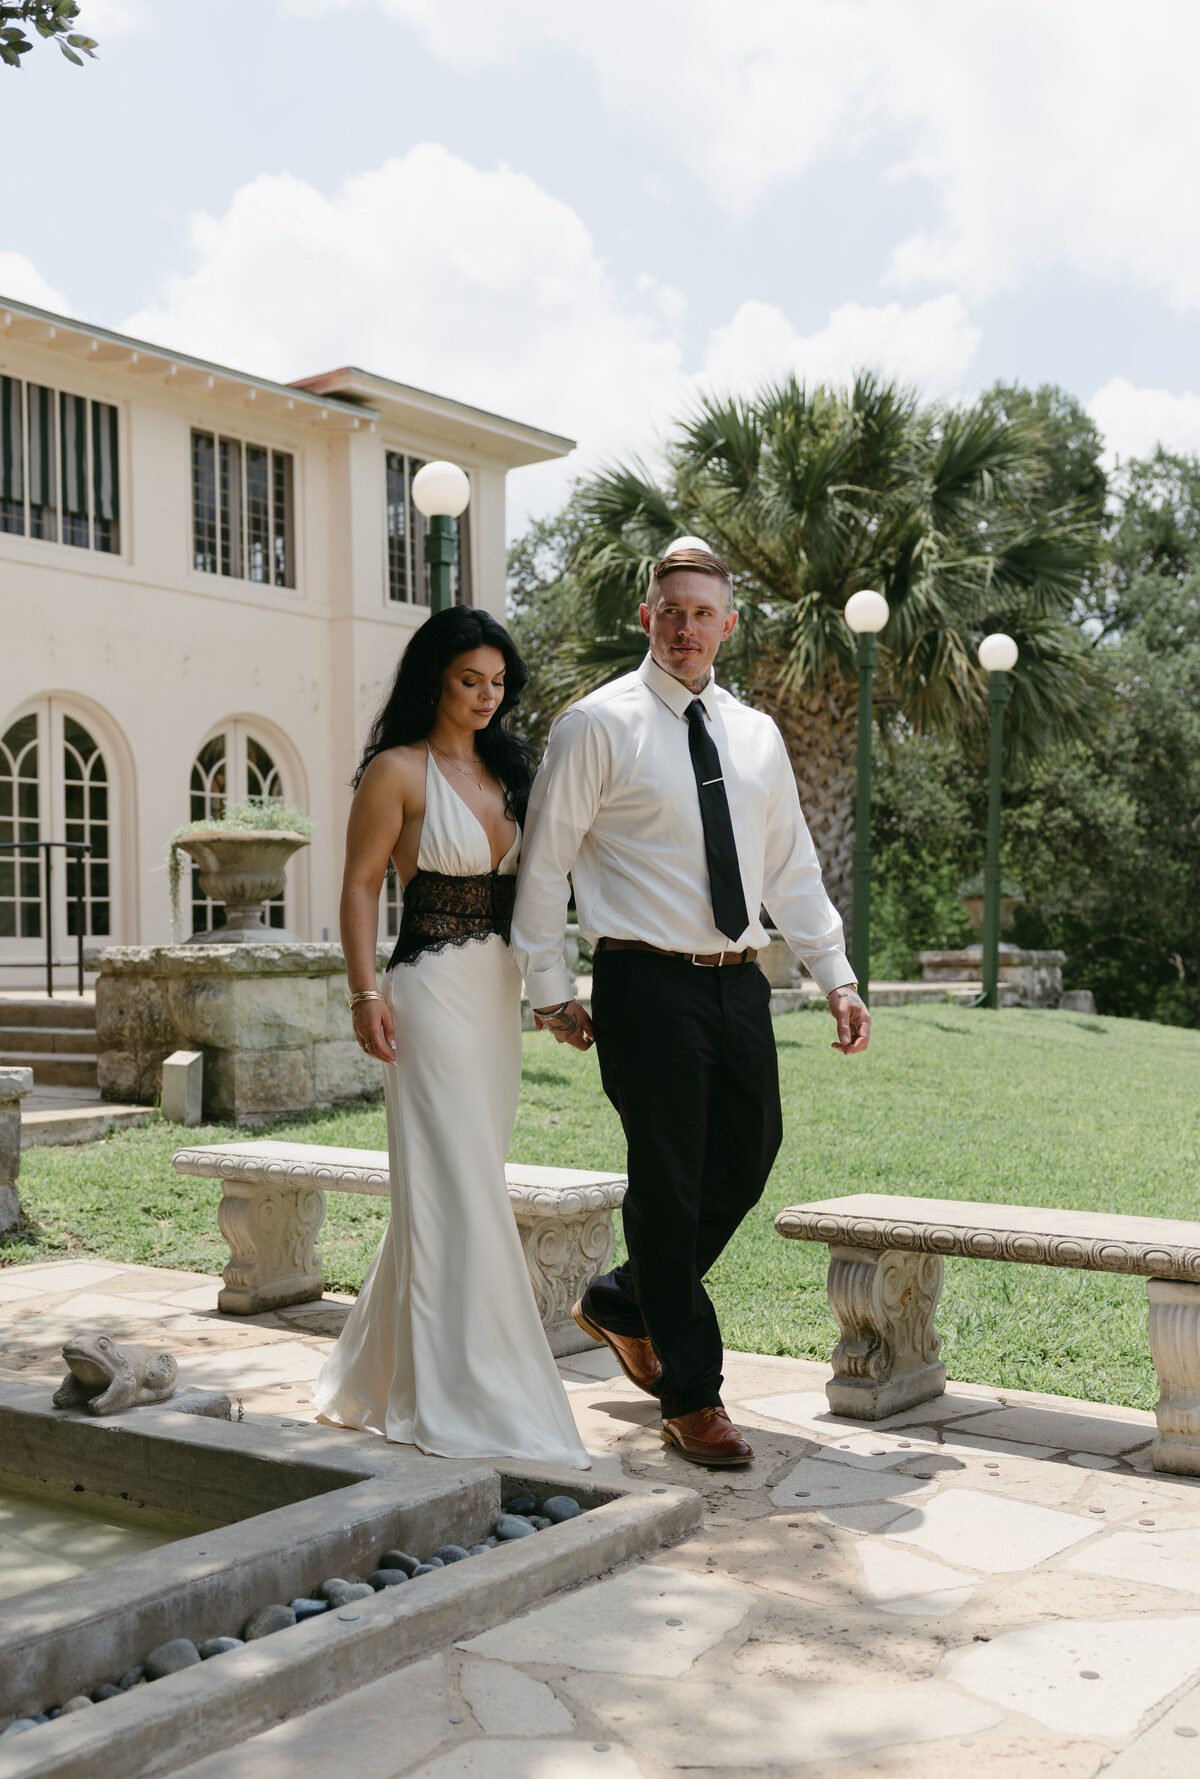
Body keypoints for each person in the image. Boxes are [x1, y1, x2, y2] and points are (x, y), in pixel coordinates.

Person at [511, 543, 870, 1468]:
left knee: (749, 1154)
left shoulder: (755, 734)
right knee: (667, 1183)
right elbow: (544, 862)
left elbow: (791, 864)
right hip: (646, 981)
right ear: (647, 617)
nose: (685, 627)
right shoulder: (596, 725)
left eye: (702, 613)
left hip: (738, 976)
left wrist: (835, 972)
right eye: (670, 610)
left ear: (727, 625)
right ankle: (692, 1394)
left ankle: (628, 1299)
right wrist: (550, 989)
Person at [314, 605, 589, 1470]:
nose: (486, 696)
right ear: (435, 676)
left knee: (453, 1186)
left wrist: (554, 996)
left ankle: (378, 1370)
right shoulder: (397, 771)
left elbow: (545, 887)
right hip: (427, 991)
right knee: (461, 1187)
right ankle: (468, 1388)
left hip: (497, 996)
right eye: (470, 679)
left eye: (499, 683)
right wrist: (365, 993)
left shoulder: (512, 771)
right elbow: (360, 887)